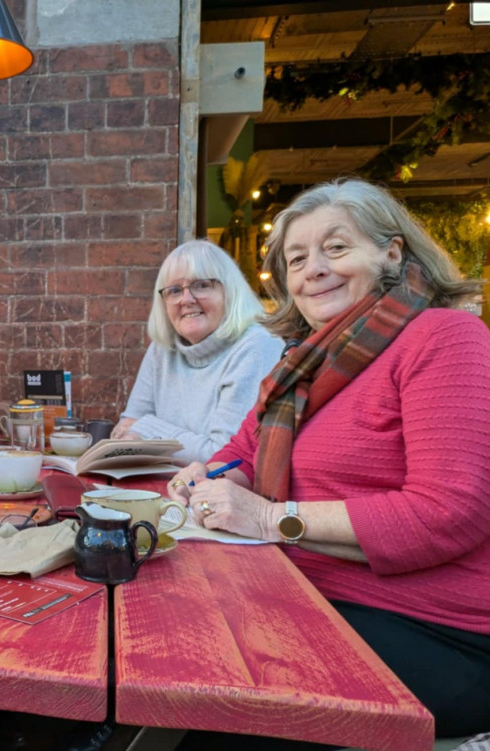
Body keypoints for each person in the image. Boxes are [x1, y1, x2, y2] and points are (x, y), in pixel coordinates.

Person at [167, 179, 490, 747]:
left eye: (336, 248)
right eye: (297, 258)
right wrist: (209, 477)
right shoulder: (301, 365)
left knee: (220, 700)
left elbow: (453, 510)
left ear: (392, 252)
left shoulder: (445, 336)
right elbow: (240, 452)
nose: (313, 269)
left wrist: (270, 520)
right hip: (305, 595)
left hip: (440, 634)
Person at [111, 240, 282, 463]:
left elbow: (225, 457)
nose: (186, 299)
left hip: (221, 493)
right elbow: (125, 430)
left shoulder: (258, 345)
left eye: (202, 285)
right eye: (174, 290)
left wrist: (147, 428)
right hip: (166, 488)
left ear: (229, 291)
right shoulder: (163, 349)